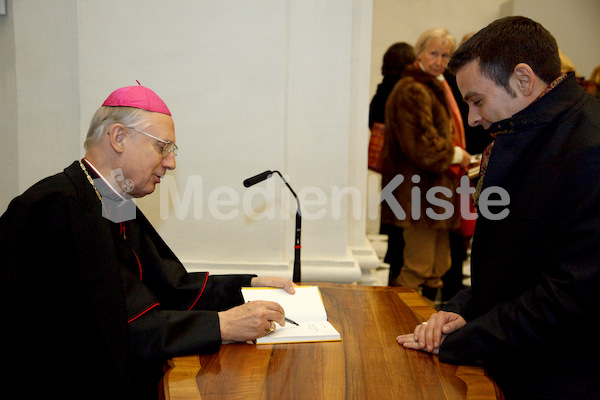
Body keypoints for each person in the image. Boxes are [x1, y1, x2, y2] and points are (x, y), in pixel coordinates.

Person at [0, 83, 295, 400]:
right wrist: (222, 326)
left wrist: (247, 285)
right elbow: (114, 329)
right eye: (162, 147)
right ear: (119, 138)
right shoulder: (59, 209)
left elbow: (169, 286)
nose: (170, 163)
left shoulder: (109, 199)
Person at [397, 16, 600, 399]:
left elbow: (569, 297)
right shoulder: (535, 133)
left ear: (523, 80)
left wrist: (460, 341)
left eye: (477, 100)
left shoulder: (588, 149)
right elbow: (514, 267)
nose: (473, 118)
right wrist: (462, 311)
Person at [380, 28, 470, 298]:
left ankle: (428, 323)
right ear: (419, 52)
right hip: (418, 192)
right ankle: (395, 317)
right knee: (418, 265)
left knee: (438, 266)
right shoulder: (413, 89)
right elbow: (421, 146)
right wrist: (455, 155)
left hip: (436, 190)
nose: (439, 60)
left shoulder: (436, 84)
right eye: (434, 53)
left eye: (445, 55)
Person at [368, 42, 415, 285]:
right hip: (404, 166)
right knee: (403, 224)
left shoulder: (381, 89)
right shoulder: (407, 91)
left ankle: (389, 273)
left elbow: (370, 120)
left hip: (387, 167)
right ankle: (396, 276)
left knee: (390, 221)